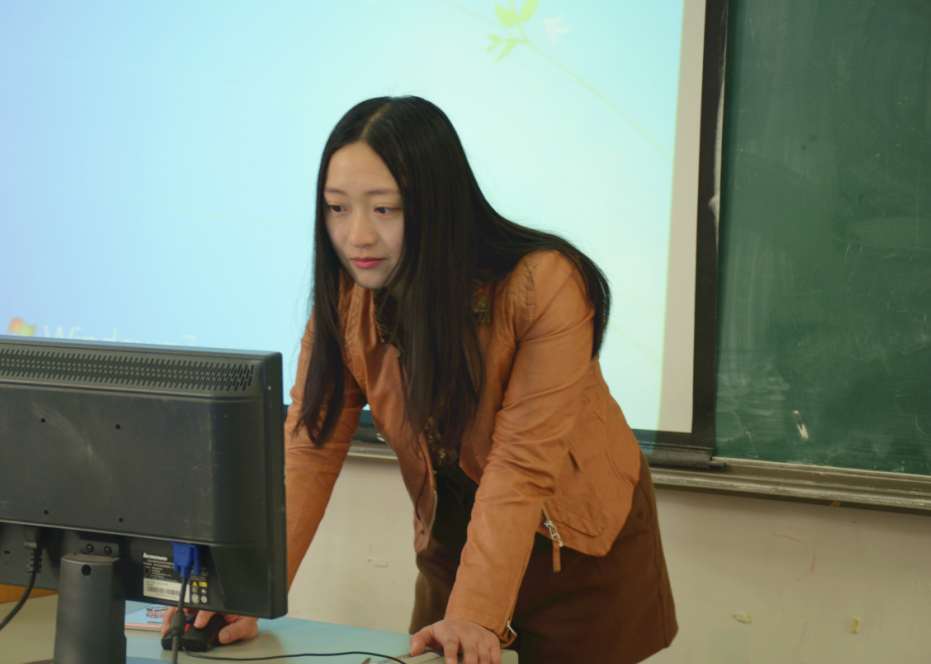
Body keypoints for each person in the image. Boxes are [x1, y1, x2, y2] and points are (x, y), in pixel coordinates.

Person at [163, 96, 677, 664]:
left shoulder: (544, 283)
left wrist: (475, 613)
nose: (356, 236)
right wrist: (246, 590)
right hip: (455, 547)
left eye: (384, 209)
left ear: (438, 204)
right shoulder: (346, 298)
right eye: (337, 208)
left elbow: (522, 464)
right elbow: (310, 448)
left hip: (576, 552)